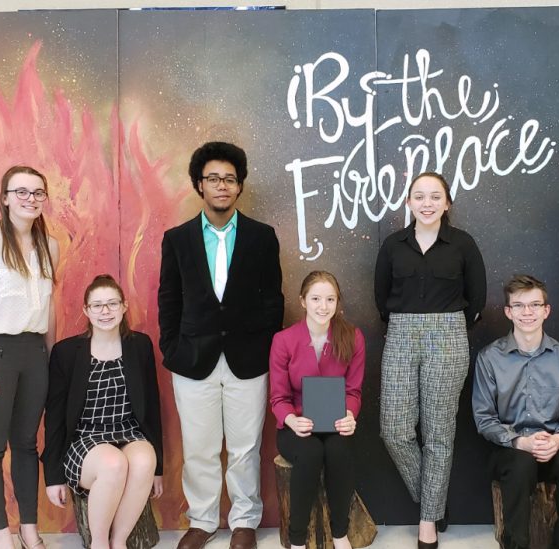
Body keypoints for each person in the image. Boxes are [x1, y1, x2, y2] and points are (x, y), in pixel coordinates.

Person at [158, 141, 284, 549]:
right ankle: (203, 520)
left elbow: (273, 300)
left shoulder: (262, 237)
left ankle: (245, 520)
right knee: (199, 448)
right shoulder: (176, 240)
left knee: (246, 448)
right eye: (213, 178)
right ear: (200, 184)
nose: (222, 185)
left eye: (230, 179)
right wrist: (173, 349)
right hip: (192, 359)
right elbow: (169, 299)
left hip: (249, 359)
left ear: (240, 186)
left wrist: (263, 345)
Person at [374, 171, 487, 549]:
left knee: (439, 433)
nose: (427, 203)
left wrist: (447, 327)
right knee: (395, 429)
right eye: (419, 196)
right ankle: (434, 501)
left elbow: (477, 297)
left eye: (435, 196)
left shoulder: (463, 244)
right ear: (408, 202)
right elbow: (381, 297)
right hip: (401, 335)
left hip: (449, 335)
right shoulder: (392, 245)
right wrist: (406, 324)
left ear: (447, 203)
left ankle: (427, 521)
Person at [0, 165, 59, 549]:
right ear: (4, 198)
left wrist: (51, 357)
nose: (30, 199)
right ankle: (1, 536)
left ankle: (29, 531)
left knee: (26, 445)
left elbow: (50, 307)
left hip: (33, 353)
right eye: (21, 192)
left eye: (37, 193)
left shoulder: (50, 245)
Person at [42, 274, 164, 549]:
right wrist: (53, 477)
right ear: (86, 311)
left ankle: (118, 542)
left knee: (145, 460)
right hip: (84, 440)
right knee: (113, 464)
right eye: (97, 305)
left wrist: (159, 470)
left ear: (123, 307)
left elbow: (152, 408)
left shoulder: (140, 346)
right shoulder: (67, 352)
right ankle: (99, 543)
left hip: (128, 432)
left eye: (112, 304)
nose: (105, 311)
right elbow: (55, 418)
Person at [473, 274, 559, 549]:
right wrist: (519, 441)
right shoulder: (489, 358)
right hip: (509, 449)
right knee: (520, 463)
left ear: (546, 311)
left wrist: (558, 439)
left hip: (553, 446)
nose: (528, 312)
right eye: (519, 306)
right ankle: (516, 544)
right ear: (508, 312)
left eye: (535, 305)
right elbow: (484, 418)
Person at [269, 271, 366, 549]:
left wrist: (350, 415)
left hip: (335, 423)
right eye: (315, 299)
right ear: (303, 301)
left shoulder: (353, 337)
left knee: (338, 450)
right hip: (295, 425)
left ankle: (340, 533)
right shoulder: (284, 340)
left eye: (330, 299)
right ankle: (297, 539)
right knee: (311, 453)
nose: (323, 306)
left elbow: (353, 391)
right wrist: (292, 420)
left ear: (337, 302)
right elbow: (278, 397)